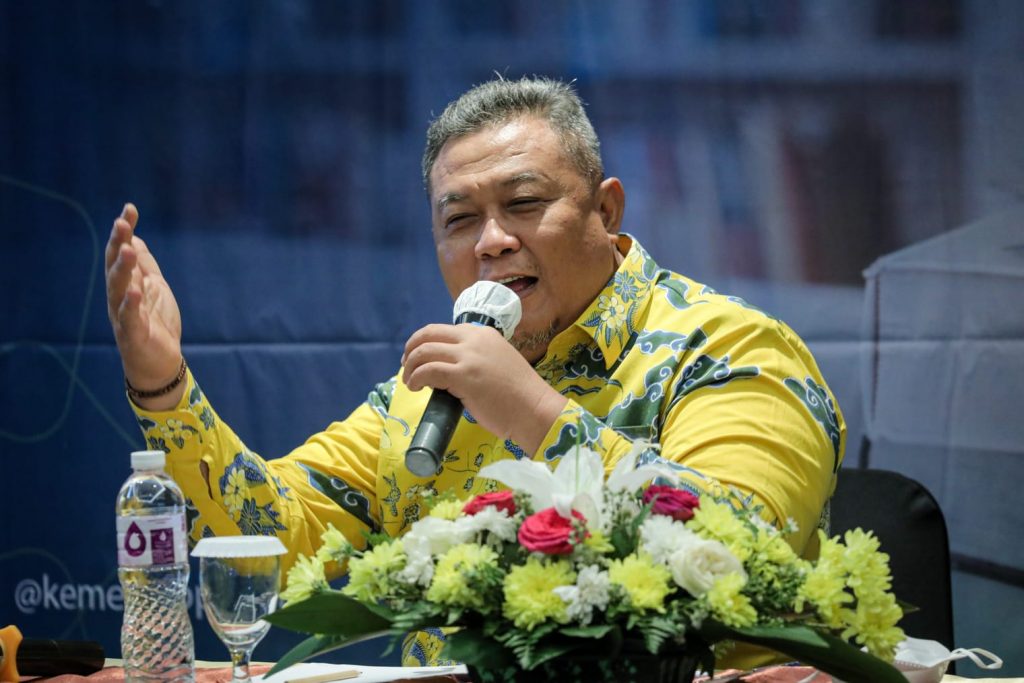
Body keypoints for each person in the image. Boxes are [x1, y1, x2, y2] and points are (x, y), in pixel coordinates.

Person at [105, 76, 845, 668]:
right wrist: (165, 387)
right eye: (459, 220)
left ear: (606, 209)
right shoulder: (428, 395)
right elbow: (279, 538)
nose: (491, 241)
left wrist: (530, 411)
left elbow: (746, 550)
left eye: (523, 203)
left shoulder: (730, 348)